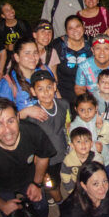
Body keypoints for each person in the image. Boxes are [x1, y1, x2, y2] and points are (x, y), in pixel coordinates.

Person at [0, 99, 56, 217]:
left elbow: (43, 157)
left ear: (18, 118)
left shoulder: (33, 132)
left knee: (42, 208)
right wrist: (2, 205)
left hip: (28, 178)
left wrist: (37, 183)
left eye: (10, 121)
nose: (7, 130)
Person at [23, 70, 68, 203]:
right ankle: (59, 201)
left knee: (64, 176)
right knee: (51, 183)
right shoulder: (33, 114)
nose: (46, 92)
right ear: (33, 91)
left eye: (49, 87)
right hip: (47, 160)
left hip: (64, 153)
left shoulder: (63, 105)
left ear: (55, 87)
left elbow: (68, 126)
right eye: (40, 89)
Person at [0, 36, 45, 111]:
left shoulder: (44, 71)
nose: (33, 57)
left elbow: (56, 96)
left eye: (35, 52)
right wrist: (24, 113)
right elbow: (1, 114)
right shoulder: (7, 84)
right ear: (17, 57)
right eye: (27, 53)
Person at [69, 93, 109, 166]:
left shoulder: (100, 120)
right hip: (84, 164)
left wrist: (101, 128)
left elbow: (108, 140)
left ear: (96, 108)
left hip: (104, 162)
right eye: (82, 110)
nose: (86, 113)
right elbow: (73, 147)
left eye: (90, 109)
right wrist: (93, 147)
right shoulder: (74, 126)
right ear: (76, 109)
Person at [54, 15, 91, 102]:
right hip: (64, 94)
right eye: (70, 28)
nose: (75, 30)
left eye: (78, 26)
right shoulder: (57, 46)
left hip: (89, 93)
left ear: (83, 26)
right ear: (66, 31)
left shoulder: (92, 43)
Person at [60, 126, 105, 198]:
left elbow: (100, 177)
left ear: (91, 144)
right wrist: (71, 190)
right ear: (72, 146)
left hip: (92, 187)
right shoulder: (68, 160)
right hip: (76, 187)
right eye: (78, 142)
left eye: (86, 141)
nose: (83, 144)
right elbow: (65, 176)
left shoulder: (97, 159)